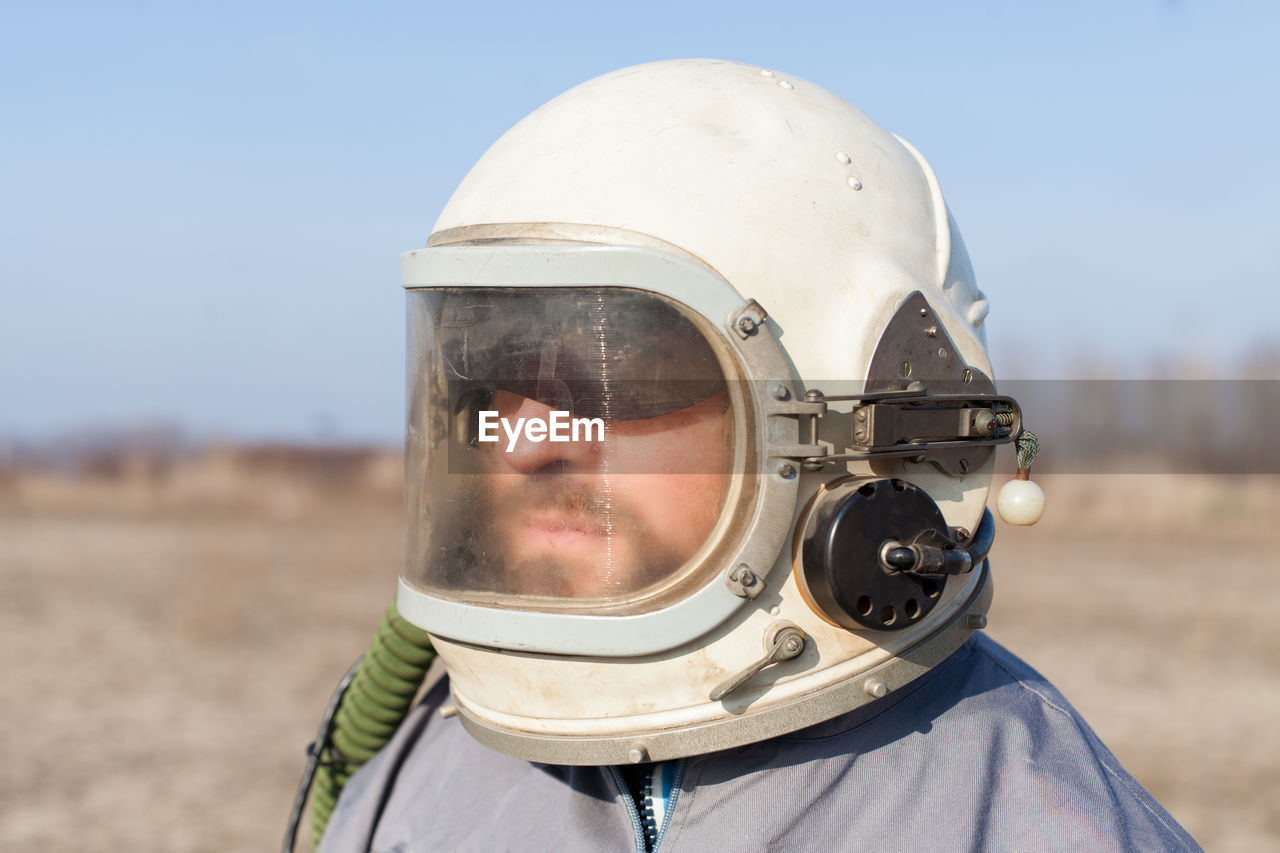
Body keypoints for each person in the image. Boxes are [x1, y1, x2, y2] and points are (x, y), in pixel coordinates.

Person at [313, 60, 1200, 851]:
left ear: (892, 428)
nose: (528, 441)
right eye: (497, 376)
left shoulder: (1039, 823)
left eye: (617, 372)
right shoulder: (412, 777)